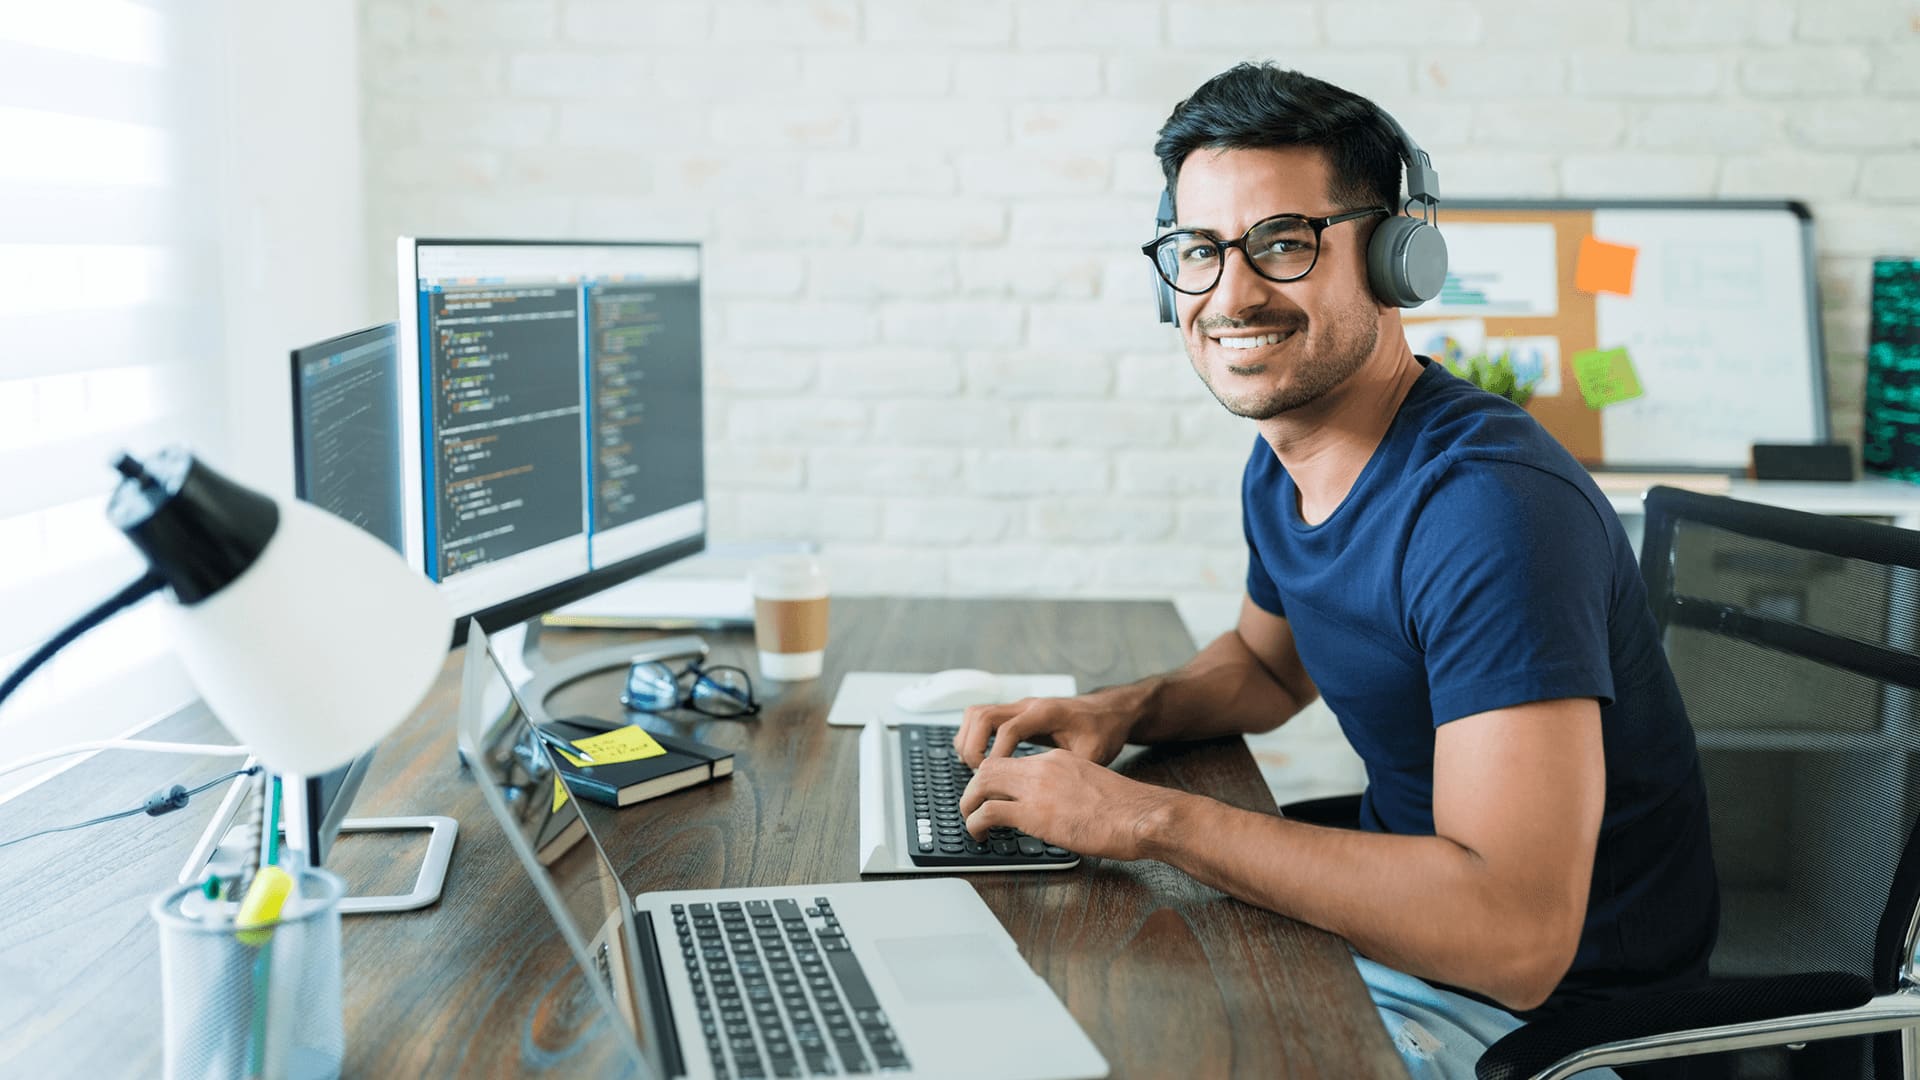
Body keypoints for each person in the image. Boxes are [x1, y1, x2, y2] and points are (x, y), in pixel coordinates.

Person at [954, 62, 1717, 1079]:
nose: (1231, 294)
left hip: (1548, 1033)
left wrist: (1142, 817)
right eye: (1198, 250)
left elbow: (1518, 941)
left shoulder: (1493, 514)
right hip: (1400, 955)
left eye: (1282, 242)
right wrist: (1123, 713)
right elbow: (1268, 674)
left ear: (1398, 259)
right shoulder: (1287, 462)